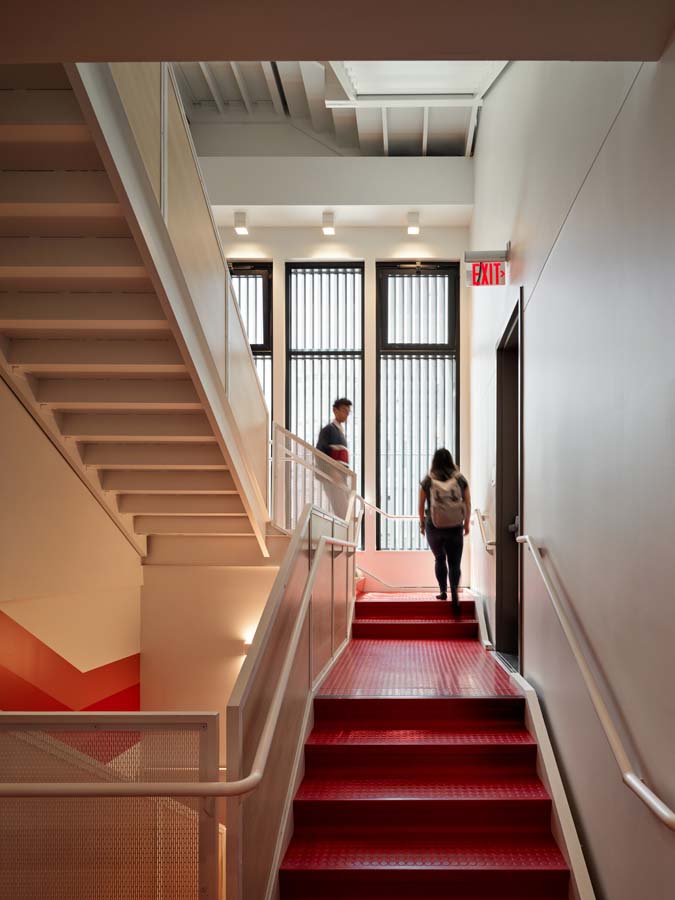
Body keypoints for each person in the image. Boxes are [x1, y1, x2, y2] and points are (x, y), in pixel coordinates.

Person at [419, 448, 471, 613]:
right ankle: (454, 592)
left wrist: (422, 523)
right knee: (454, 563)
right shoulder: (460, 479)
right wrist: (467, 523)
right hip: (455, 526)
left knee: (439, 559)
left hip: (434, 525)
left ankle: (443, 591)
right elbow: (468, 502)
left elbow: (421, 505)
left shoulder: (428, 480)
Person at [316, 398, 352, 519]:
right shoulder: (328, 430)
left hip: (341, 480)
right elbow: (319, 453)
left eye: (348, 412)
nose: (346, 414)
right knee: (343, 511)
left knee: (345, 511)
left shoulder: (340, 433)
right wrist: (332, 472)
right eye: (343, 410)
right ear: (335, 410)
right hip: (332, 479)